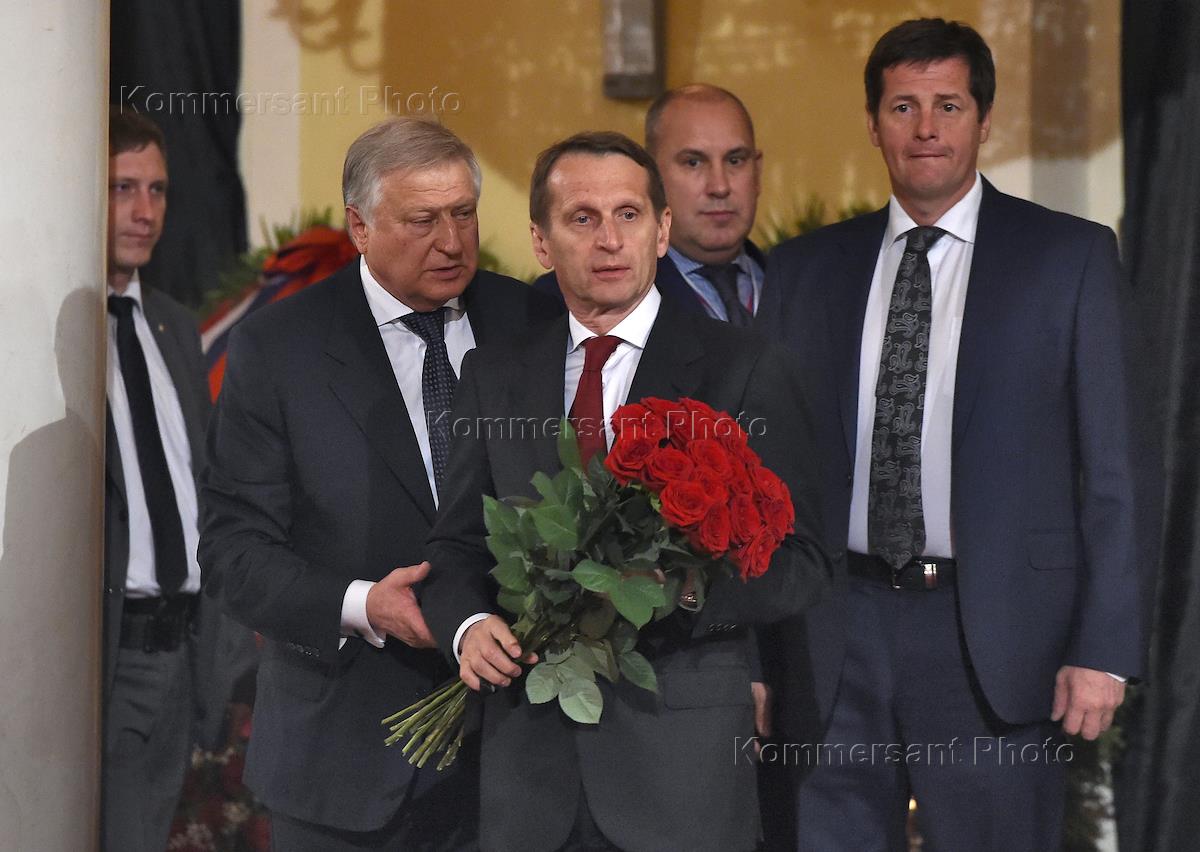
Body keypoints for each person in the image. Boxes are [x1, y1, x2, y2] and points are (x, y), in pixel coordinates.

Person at [757, 18, 1142, 851]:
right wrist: (755, 656)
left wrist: (1104, 649)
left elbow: (1114, 470)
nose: (926, 128)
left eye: (948, 105)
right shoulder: (803, 271)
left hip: (997, 640)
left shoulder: (1068, 258)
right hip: (833, 636)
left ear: (984, 119)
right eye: (903, 106)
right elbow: (764, 475)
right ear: (873, 123)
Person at [418, 131, 829, 852]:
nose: (609, 239)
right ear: (542, 243)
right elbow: (456, 545)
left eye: (628, 215)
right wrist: (467, 626)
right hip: (530, 775)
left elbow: (802, 562)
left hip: (679, 773)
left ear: (662, 231)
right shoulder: (495, 373)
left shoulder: (744, 369)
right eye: (582, 218)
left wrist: (682, 591)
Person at [199, 117, 560, 850]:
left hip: (513, 758)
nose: (452, 242)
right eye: (423, 221)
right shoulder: (281, 347)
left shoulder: (530, 319)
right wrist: (366, 605)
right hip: (343, 760)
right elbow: (234, 554)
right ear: (359, 227)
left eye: (464, 214)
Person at [103, 107, 253, 851]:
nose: (145, 211)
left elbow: (203, 488)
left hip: (184, 653)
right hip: (101, 653)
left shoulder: (174, 327)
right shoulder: (43, 330)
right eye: (122, 187)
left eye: (157, 190)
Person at [534, 85, 766, 324]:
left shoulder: (788, 281)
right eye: (693, 162)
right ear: (652, 175)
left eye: (735, 160)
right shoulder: (559, 302)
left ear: (757, 172)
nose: (719, 186)